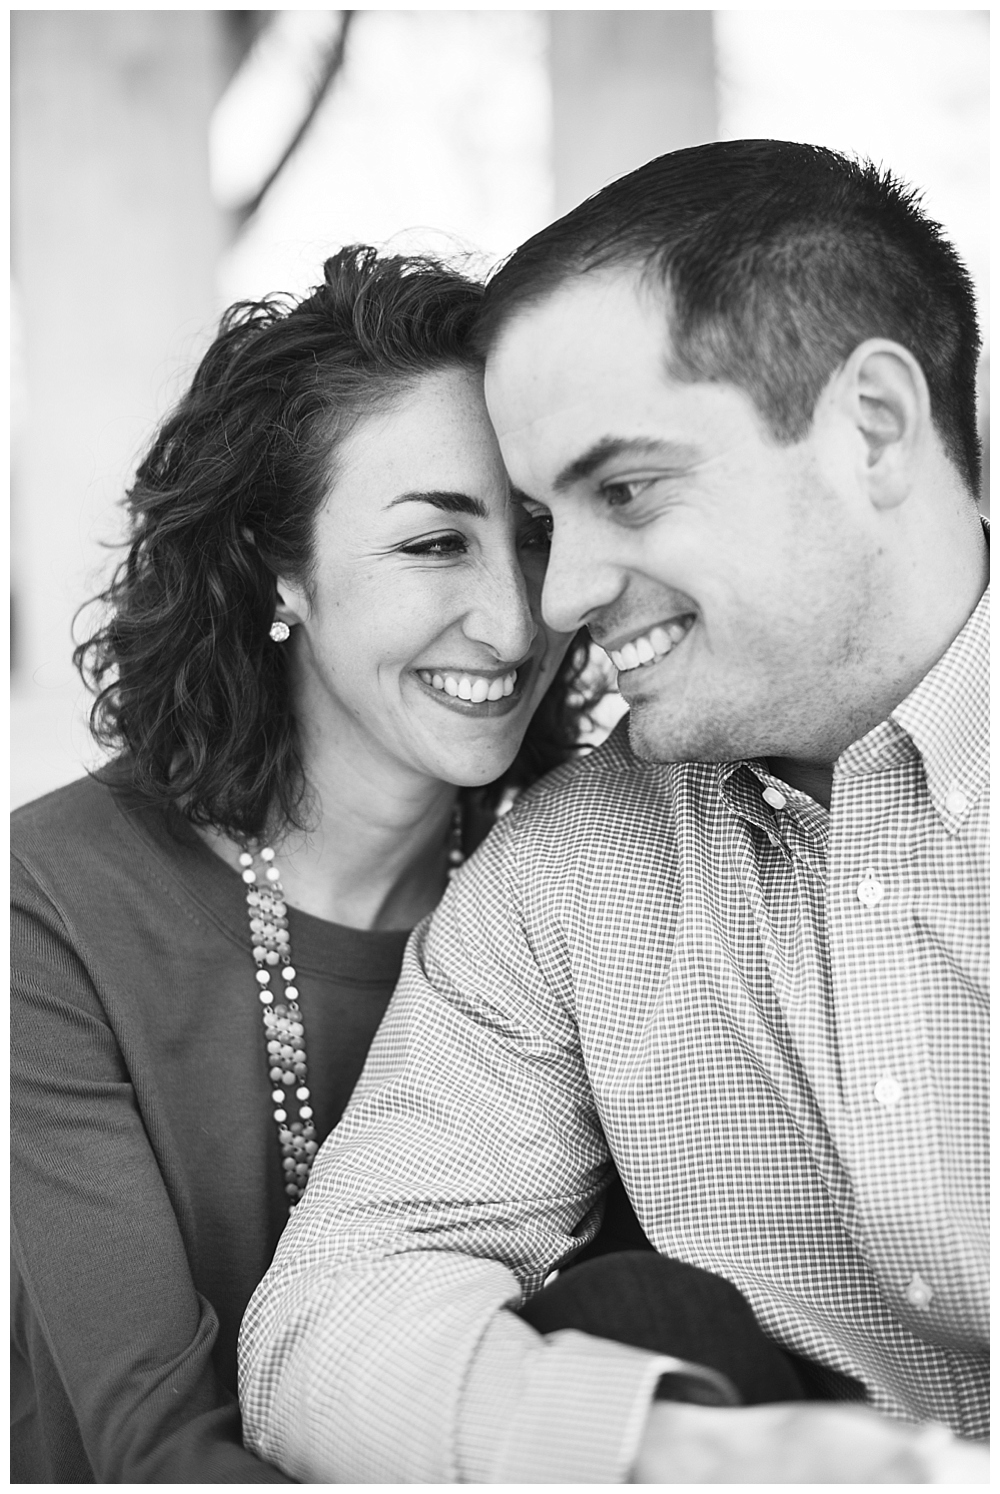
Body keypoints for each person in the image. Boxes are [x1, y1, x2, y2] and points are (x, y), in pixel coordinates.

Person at [238, 142, 989, 1483]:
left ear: (873, 426)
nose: (558, 597)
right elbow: (327, 1313)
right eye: (540, 518)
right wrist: (663, 1449)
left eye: (625, 490)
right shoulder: (574, 865)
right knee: (628, 1326)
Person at [10, 245, 602, 1481]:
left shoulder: (582, 872)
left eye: (539, 538)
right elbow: (153, 1444)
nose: (512, 619)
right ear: (279, 570)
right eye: (433, 545)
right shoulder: (53, 897)